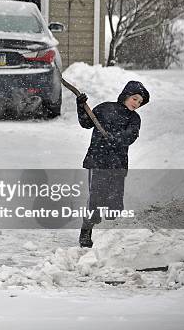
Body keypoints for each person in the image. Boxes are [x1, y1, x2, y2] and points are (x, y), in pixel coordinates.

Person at [76, 80, 150, 248]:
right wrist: (81, 106)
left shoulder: (134, 119)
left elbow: (130, 136)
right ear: (126, 95)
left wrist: (114, 138)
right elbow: (86, 123)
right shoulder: (104, 108)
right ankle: (86, 233)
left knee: (114, 200)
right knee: (95, 197)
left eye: (140, 102)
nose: (137, 104)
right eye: (135, 99)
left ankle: (112, 238)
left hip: (117, 165)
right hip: (98, 160)